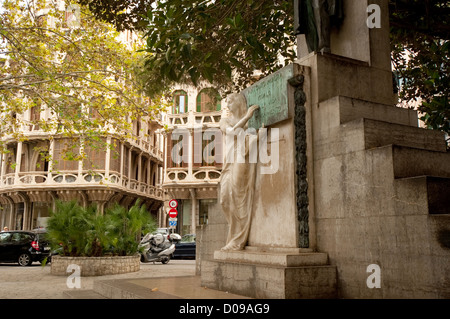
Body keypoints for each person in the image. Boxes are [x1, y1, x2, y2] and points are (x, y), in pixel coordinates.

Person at [219, 93, 259, 251]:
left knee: (237, 195)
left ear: (238, 102)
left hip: (241, 158)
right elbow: (232, 132)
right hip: (228, 162)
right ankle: (234, 232)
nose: (228, 105)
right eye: (227, 102)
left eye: (230, 102)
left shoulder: (249, 124)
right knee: (224, 199)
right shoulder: (225, 121)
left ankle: (237, 239)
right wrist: (247, 117)